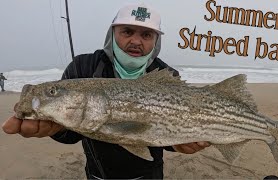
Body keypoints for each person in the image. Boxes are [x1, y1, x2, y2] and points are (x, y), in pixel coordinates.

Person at [2, 3, 210, 179]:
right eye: (127, 32)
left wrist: (179, 144)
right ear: (112, 34)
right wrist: (58, 129)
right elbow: (71, 135)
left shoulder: (166, 75)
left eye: (146, 35)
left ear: (156, 41)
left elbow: (165, 133)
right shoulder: (83, 66)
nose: (136, 41)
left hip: (149, 173)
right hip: (98, 173)